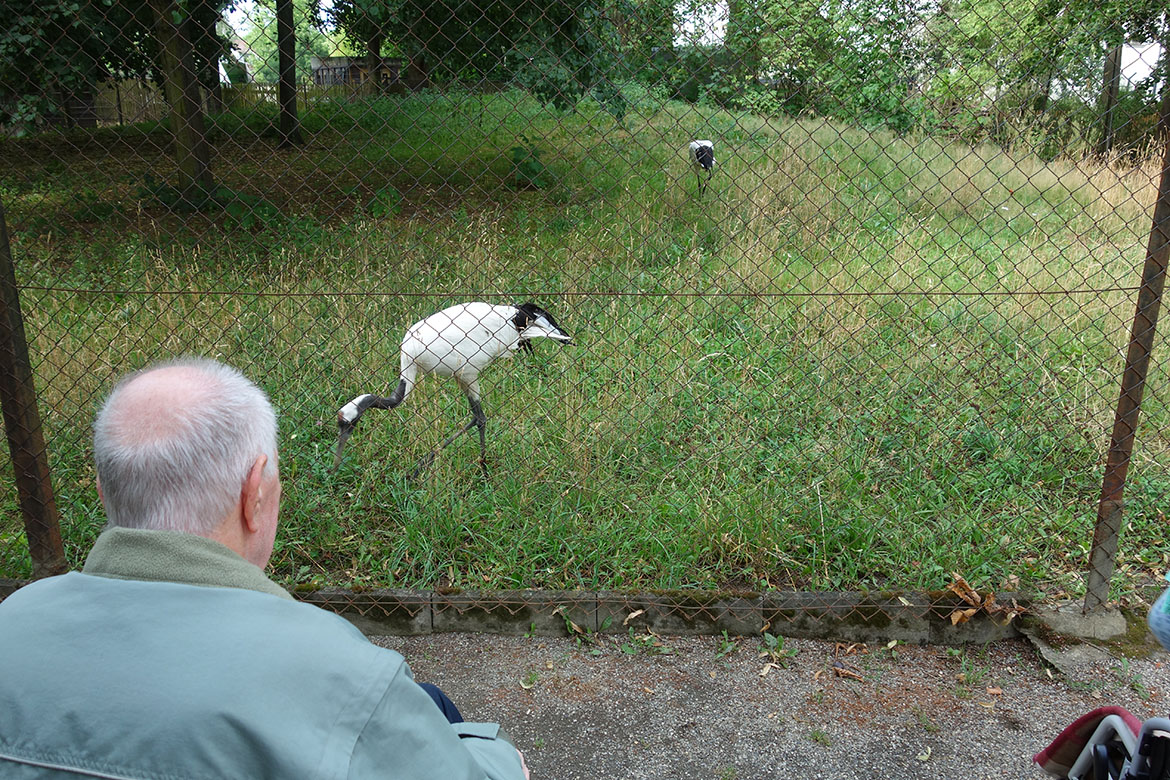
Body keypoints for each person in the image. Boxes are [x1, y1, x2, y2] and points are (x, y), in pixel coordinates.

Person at [0, 358, 529, 779]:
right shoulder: (344, 677)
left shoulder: (12, 621)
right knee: (437, 711)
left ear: (102, 493)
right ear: (254, 495)